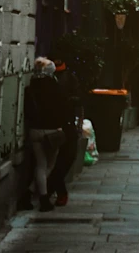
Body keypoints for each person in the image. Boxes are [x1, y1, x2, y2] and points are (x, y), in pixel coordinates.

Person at [24, 58, 70, 212]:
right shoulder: (56, 88)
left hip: (35, 130)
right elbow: (63, 109)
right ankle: (43, 199)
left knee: (40, 165)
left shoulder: (30, 87)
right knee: (49, 165)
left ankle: (28, 195)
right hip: (52, 130)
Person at [46, 57, 80, 207]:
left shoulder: (49, 80)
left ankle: (49, 190)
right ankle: (52, 190)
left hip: (51, 124)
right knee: (64, 159)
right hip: (64, 124)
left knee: (49, 162)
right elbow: (78, 99)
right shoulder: (68, 77)